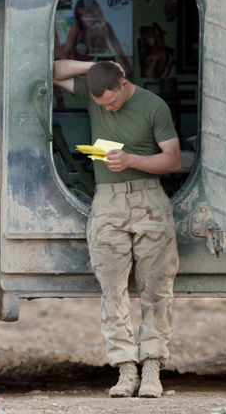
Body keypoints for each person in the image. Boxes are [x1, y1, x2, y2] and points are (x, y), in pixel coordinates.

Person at [53, 60, 182, 398]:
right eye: (101, 105)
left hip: (149, 198)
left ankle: (151, 367)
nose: (107, 108)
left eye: (111, 101)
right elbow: (51, 70)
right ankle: (126, 369)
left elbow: (173, 160)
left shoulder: (154, 106)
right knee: (112, 288)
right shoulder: (95, 90)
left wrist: (130, 160)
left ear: (123, 81)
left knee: (156, 288)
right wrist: (94, 65)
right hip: (107, 203)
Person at [57, 0, 133, 77]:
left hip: (92, 70)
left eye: (87, 13)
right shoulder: (77, 26)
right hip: (75, 70)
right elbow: (65, 53)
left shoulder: (106, 26)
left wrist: (130, 72)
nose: (84, 18)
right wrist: (66, 73)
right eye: (81, 15)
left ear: (94, 12)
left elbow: (120, 51)